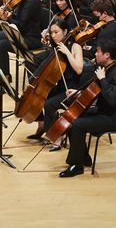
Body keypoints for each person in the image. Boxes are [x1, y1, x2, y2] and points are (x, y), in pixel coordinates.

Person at [58, 37, 116, 177]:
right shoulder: (107, 69)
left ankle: (76, 165)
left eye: (98, 51)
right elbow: (98, 94)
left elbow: (112, 99)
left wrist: (103, 80)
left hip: (115, 118)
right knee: (73, 118)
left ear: (107, 55)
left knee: (78, 124)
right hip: (104, 112)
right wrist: (79, 94)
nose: (95, 54)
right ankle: (83, 157)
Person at [26, 18, 84, 149]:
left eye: (56, 32)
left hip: (72, 90)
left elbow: (79, 69)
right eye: (51, 33)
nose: (53, 35)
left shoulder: (75, 47)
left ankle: (56, 136)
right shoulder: (55, 47)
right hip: (60, 87)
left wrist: (67, 52)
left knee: (49, 104)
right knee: (37, 94)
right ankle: (41, 124)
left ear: (65, 31)